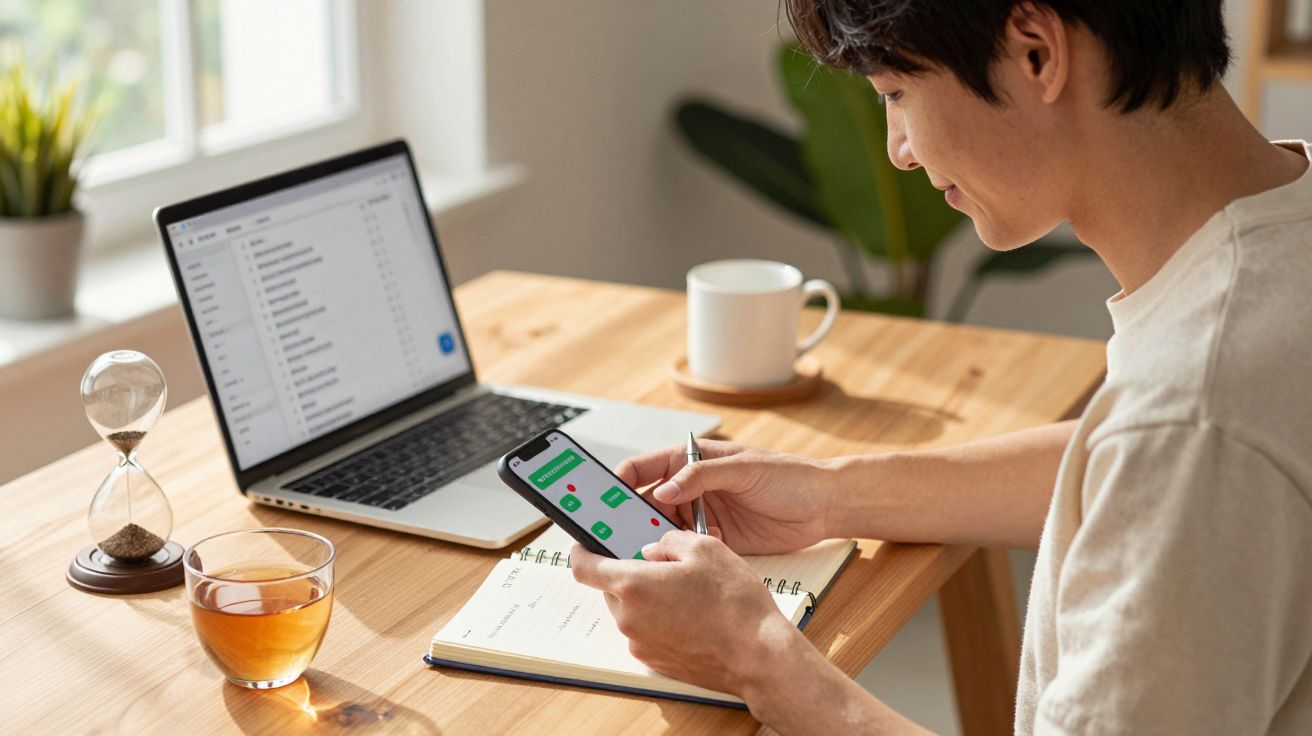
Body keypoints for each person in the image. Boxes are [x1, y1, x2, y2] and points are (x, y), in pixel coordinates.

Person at [569, 0, 1312, 733]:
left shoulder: (1195, 414)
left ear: (1036, 53)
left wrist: (756, 658)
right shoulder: (1277, 235)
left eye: (896, 93)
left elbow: (1174, 453)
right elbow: (1126, 474)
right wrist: (831, 494)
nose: (899, 148)